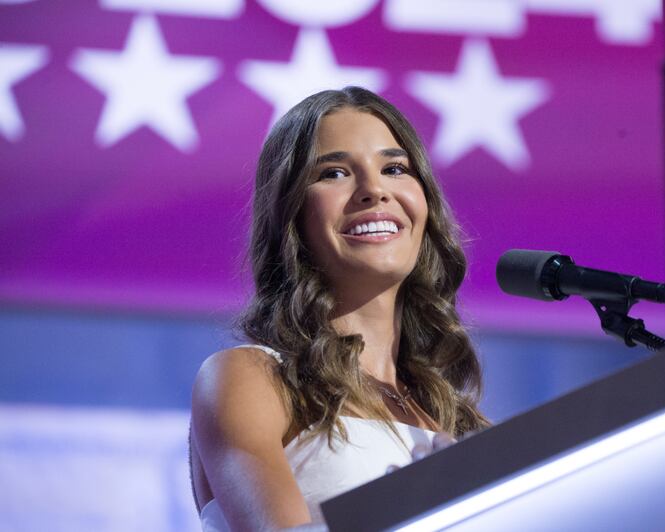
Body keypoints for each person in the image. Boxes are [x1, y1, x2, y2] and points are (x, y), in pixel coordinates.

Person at [189, 86, 490, 531]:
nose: (374, 190)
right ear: (291, 214)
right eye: (333, 173)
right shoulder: (251, 379)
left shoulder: (455, 419)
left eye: (394, 168)